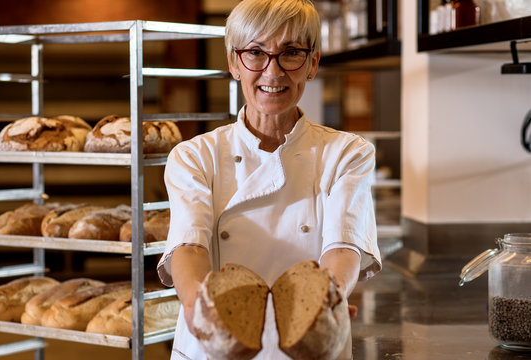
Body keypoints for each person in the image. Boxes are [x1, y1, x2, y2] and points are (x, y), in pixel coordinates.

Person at [157, 0, 382, 358]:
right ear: (234, 63)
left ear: (312, 64)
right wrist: (198, 307)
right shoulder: (194, 156)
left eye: (291, 52)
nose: (272, 72)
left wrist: (328, 300)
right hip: (214, 345)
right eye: (256, 53)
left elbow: (342, 247)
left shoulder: (346, 153)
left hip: (312, 343)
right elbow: (189, 246)